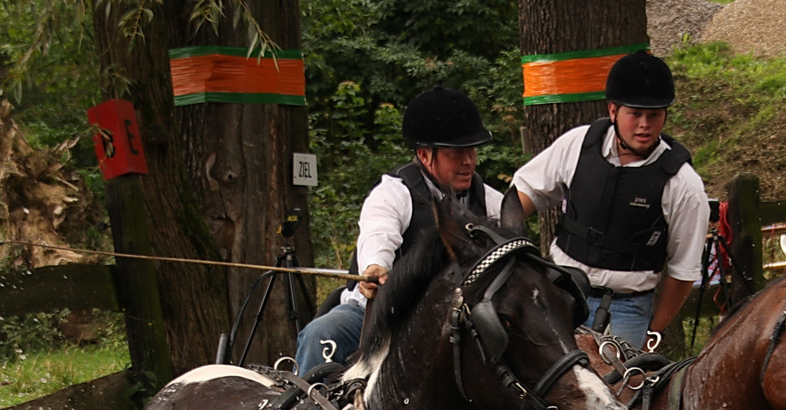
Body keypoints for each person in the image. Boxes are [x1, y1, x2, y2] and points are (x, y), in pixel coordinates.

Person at [294, 86, 505, 374]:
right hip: (382, 317)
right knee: (322, 333)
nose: (469, 161)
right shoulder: (393, 194)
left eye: (472, 150)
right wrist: (375, 266)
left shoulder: (492, 203)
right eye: (456, 153)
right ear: (425, 155)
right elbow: (378, 232)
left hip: (454, 323)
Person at [511, 51, 710, 351]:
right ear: (613, 110)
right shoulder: (577, 144)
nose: (644, 125)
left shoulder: (683, 184)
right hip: (560, 293)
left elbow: (684, 271)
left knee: (620, 396)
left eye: (654, 115)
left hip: (626, 310)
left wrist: (654, 334)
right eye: (635, 114)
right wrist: (504, 238)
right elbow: (526, 191)